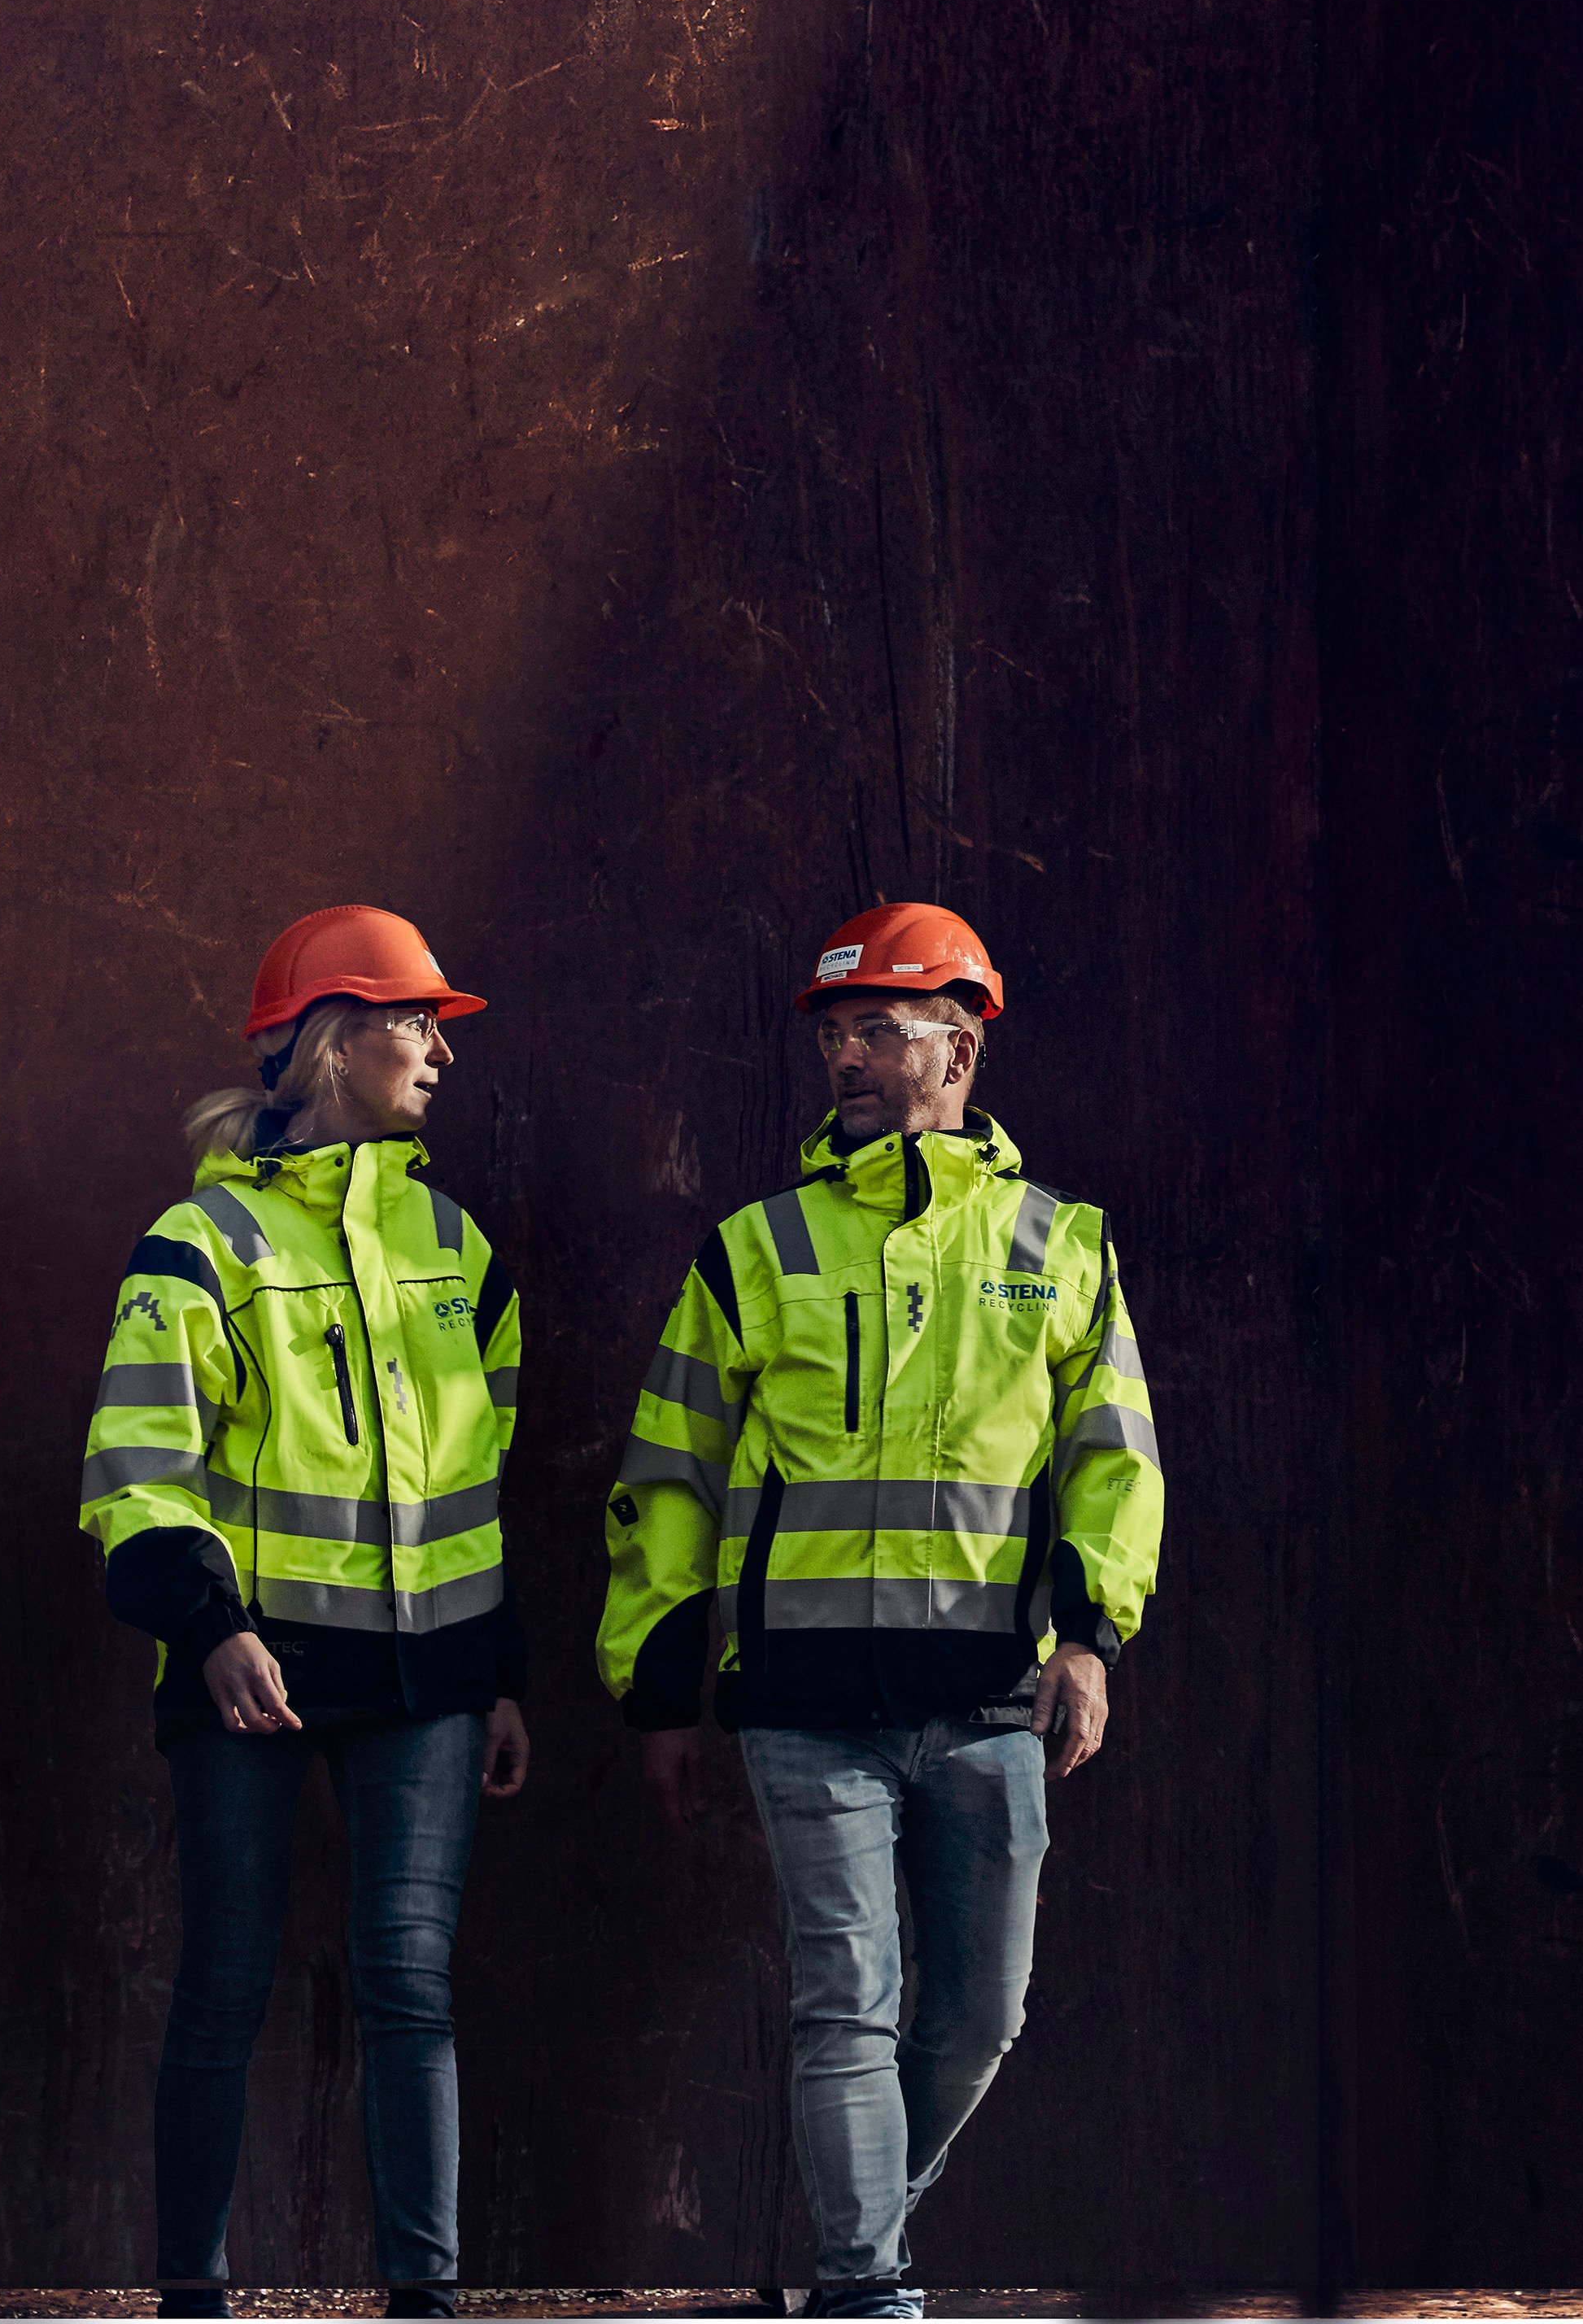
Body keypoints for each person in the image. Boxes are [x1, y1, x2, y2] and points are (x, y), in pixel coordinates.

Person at [599, 901, 1163, 2322]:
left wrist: (1093, 1639)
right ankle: (868, 2294)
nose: (845, 1055)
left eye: (876, 1029)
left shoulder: (1063, 1245)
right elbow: (669, 1471)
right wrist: (661, 1689)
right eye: (835, 1033)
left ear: (957, 1046)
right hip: (806, 1706)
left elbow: (1114, 1463)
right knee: (846, 2002)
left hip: (990, 1701)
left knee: (979, 2018)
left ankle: (862, 2247)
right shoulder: (756, 1248)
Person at [80, 905, 531, 2323]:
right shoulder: (199, 1242)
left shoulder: (456, 1247)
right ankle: (191, 2300)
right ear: (334, 1043)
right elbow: (137, 1465)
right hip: (247, 1678)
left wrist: (496, 1669)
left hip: (432, 1687)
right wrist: (211, 1629)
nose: (438, 1053)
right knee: (223, 1981)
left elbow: (483, 1474)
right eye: (415, 1024)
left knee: (411, 1985)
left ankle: (426, 2304)